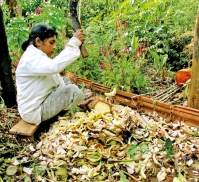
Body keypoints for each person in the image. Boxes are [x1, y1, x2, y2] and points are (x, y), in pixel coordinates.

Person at [16, 23, 90, 125]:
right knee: (73, 91)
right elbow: (54, 67)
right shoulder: (30, 58)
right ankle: (52, 121)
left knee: (65, 80)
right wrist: (74, 42)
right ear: (38, 41)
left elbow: (57, 79)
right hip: (34, 111)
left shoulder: (36, 55)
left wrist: (78, 101)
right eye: (51, 43)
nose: (54, 47)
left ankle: (64, 108)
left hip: (42, 101)